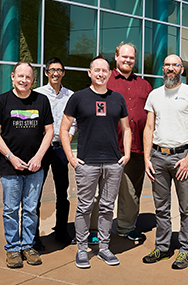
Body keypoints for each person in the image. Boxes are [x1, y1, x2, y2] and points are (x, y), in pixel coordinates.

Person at [59, 56, 131, 269]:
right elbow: (63, 129)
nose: (101, 73)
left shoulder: (117, 98)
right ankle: (82, 250)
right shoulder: (78, 98)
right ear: (89, 73)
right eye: (97, 70)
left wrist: (126, 155)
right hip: (87, 163)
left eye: (105, 70)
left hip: (112, 163)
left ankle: (104, 248)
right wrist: (71, 158)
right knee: (84, 207)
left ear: (110, 73)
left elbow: (126, 129)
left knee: (108, 207)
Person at [0, 62, 54, 268]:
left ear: (33, 79)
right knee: (10, 209)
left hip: (35, 167)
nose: (24, 80)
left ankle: (27, 245)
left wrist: (38, 158)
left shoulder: (41, 101)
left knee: (31, 209)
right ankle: (13, 249)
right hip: (10, 167)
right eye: (20, 76)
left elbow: (49, 131)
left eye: (28, 77)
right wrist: (11, 157)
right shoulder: (2, 101)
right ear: (13, 77)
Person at [142, 54, 188, 270]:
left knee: (186, 207)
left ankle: (186, 250)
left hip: (181, 158)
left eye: (174, 65)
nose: (170, 68)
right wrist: (147, 158)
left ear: (182, 69)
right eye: (167, 65)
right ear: (163, 69)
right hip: (158, 158)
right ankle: (163, 247)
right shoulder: (154, 95)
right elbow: (149, 128)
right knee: (161, 207)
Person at [107, 42, 153, 241]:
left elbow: (151, 117)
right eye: (124, 56)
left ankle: (125, 227)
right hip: (109, 147)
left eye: (131, 57)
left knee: (131, 191)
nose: (127, 60)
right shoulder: (105, 79)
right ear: (116, 57)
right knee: (102, 192)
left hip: (136, 148)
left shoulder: (144, 85)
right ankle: (94, 230)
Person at [33, 57, 76, 250]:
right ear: (46, 72)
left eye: (59, 70)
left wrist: (68, 140)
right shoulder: (37, 94)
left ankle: (61, 231)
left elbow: (74, 122)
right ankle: (33, 236)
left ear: (63, 73)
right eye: (52, 70)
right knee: (35, 193)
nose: (55, 73)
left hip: (60, 148)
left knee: (62, 192)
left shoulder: (70, 96)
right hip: (42, 149)